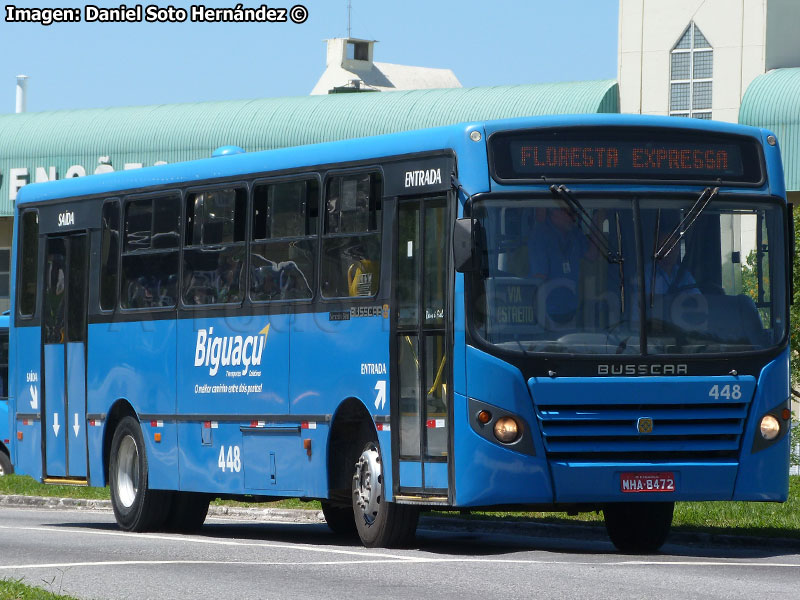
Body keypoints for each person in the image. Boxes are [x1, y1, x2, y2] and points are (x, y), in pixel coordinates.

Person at [527, 207, 590, 324]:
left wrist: (599, 219)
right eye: (571, 213)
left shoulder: (575, 232)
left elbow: (592, 255)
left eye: (576, 213)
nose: (575, 217)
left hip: (572, 307)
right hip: (547, 312)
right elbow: (539, 277)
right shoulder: (540, 235)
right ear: (555, 212)